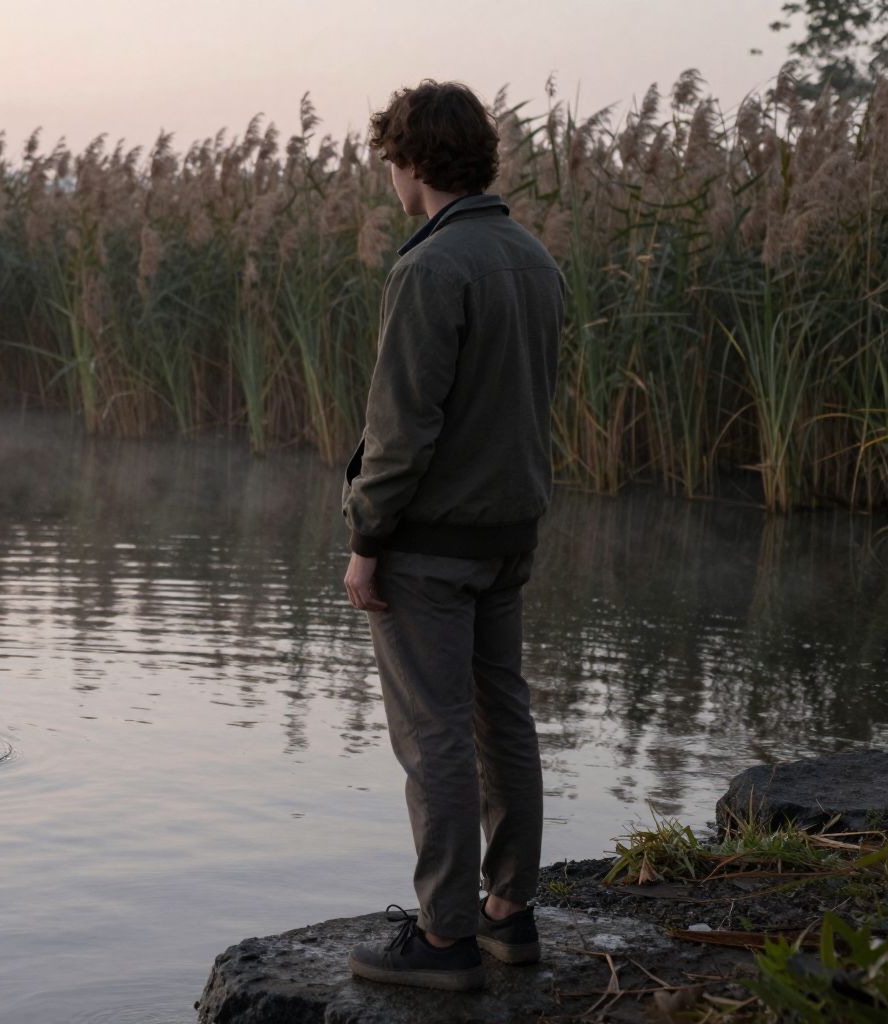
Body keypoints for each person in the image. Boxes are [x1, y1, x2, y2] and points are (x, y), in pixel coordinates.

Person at [340, 79, 565, 992]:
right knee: (500, 718)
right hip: (508, 533)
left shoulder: (429, 269)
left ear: (416, 160)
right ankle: (510, 914)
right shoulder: (533, 257)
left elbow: (403, 431)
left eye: (392, 158)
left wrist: (366, 538)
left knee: (433, 735)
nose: (390, 176)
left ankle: (445, 939)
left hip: (429, 543)